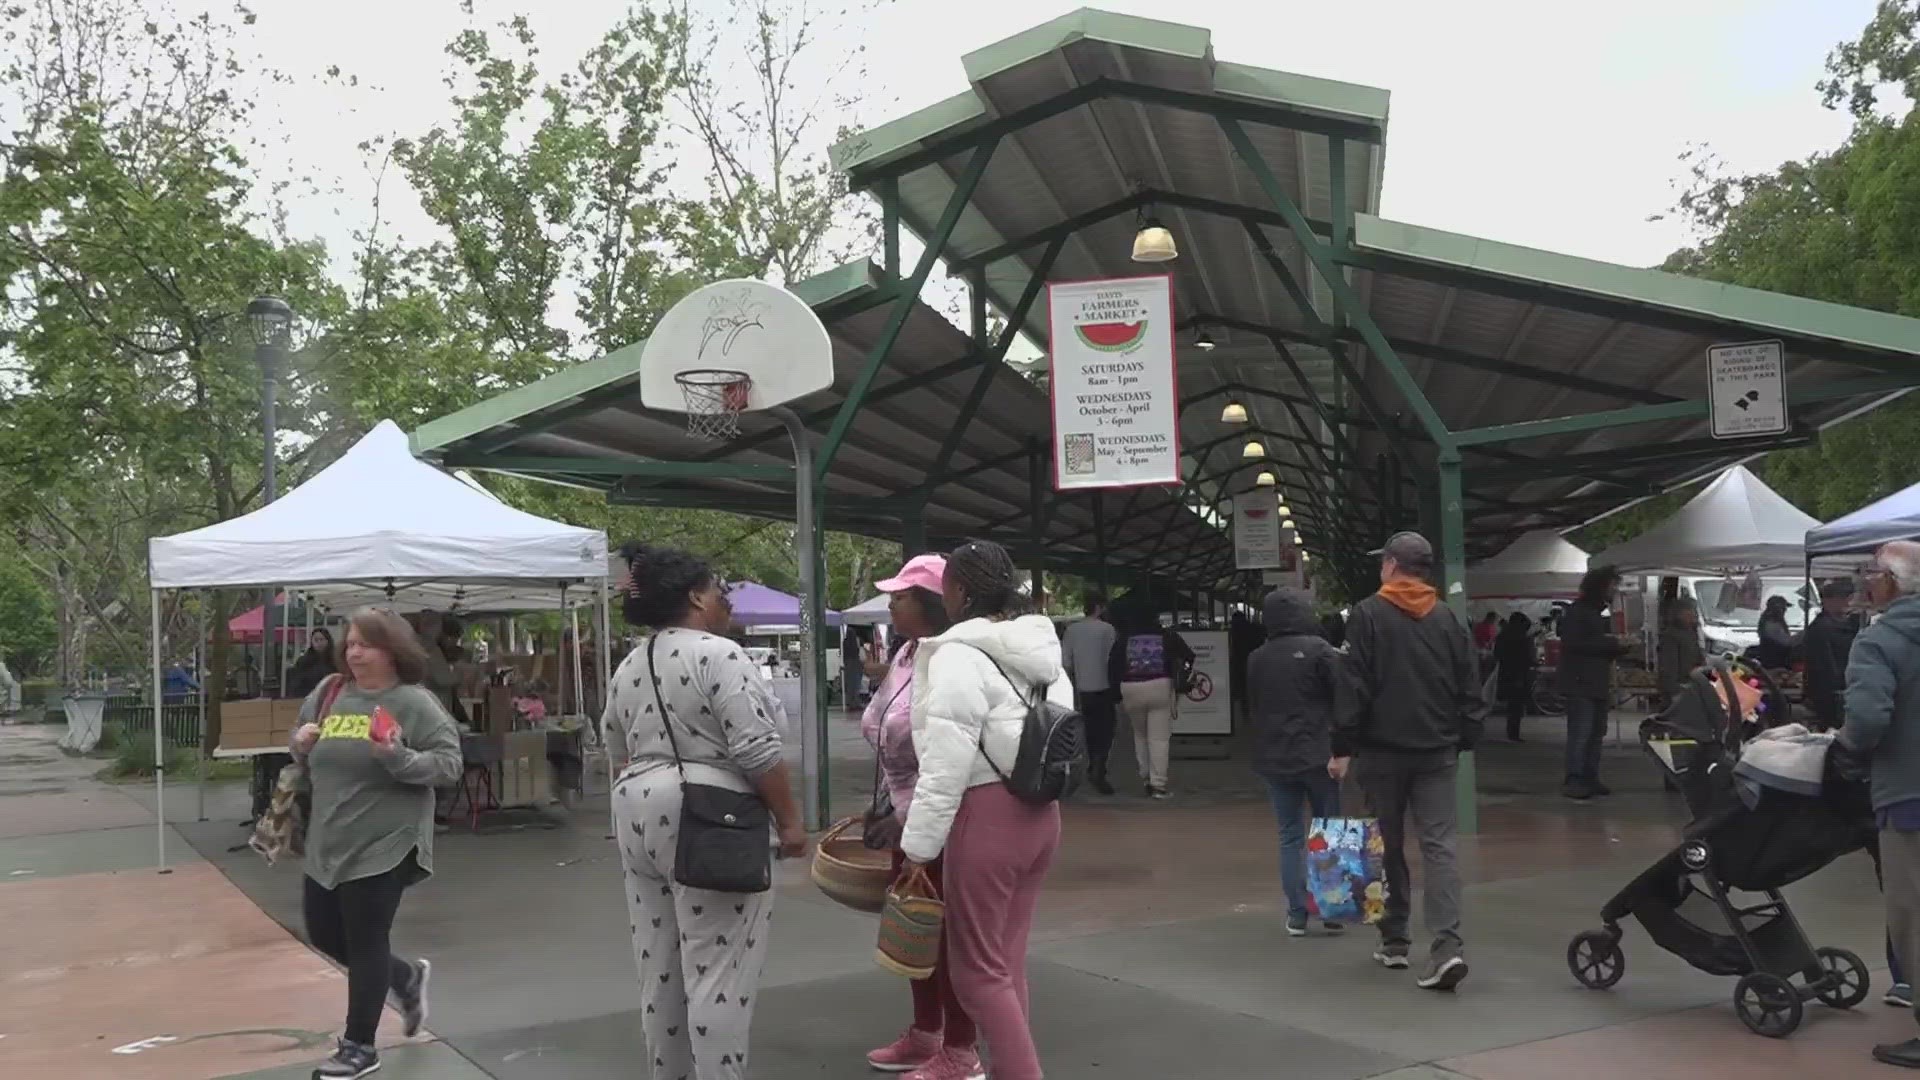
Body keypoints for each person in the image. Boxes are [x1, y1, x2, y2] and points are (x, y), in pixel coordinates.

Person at [602, 544, 807, 1080]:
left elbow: (614, 742)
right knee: (719, 970)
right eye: (719, 592)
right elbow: (758, 750)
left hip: (636, 810)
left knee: (660, 966)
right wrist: (789, 822)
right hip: (711, 817)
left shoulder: (630, 663)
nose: (726, 604)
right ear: (695, 596)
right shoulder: (718, 654)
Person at [900, 540, 1070, 1080]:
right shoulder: (1042, 649)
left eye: (945, 584)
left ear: (960, 591)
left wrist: (918, 848)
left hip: (985, 818)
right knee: (1005, 961)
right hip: (1040, 815)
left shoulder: (956, 655)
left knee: (975, 972)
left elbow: (944, 765)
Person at [289, 607, 463, 1079]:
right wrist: (300, 743)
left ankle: (359, 1046)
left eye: (365, 643)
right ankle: (404, 977)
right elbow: (303, 749)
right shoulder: (329, 693)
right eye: (350, 644)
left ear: (393, 650)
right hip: (328, 839)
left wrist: (398, 757)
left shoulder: (414, 703)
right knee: (325, 934)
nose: (354, 651)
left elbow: (448, 765)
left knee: (366, 941)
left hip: (386, 841)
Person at [1333, 531, 1482, 991]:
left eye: (1383, 563)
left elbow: (1352, 687)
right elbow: (1471, 685)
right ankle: (1447, 947)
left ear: (1393, 565)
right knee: (1440, 847)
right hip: (1436, 752)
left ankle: (1394, 939)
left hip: (1381, 753)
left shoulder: (1367, 615)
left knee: (1383, 844)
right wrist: (1462, 738)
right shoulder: (1447, 619)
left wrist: (1342, 746)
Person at [857, 554, 979, 1080]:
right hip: (902, 811)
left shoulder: (956, 658)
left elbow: (948, 749)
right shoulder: (908, 653)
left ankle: (961, 1048)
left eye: (900, 596)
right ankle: (927, 1030)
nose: (891, 603)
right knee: (913, 926)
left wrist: (910, 812)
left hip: (942, 818)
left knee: (947, 936)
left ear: (932, 600)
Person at [1837, 541, 1920, 1068]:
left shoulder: (1880, 640)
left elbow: (1867, 719)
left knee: (1914, 918)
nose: (1867, 583)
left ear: (1892, 583)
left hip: (1909, 797)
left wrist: (1844, 751)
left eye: (1873, 574)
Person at [1248, 586, 1347, 937]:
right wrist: (1342, 750)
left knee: (1289, 837)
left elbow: (1254, 707)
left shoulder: (1257, 657)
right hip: (1318, 755)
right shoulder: (1321, 651)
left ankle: (1296, 914)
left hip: (1274, 758)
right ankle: (1333, 908)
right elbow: (1342, 700)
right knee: (1329, 830)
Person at [1108, 601, 1195, 800]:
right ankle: (1158, 785)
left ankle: (1145, 778)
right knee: (1159, 738)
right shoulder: (1167, 636)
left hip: (1130, 689)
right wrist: (1182, 672)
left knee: (1140, 735)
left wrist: (1115, 694)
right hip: (1160, 687)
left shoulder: (1124, 639)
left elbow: (1113, 665)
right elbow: (1189, 655)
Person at [1557, 566, 1630, 801]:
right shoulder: (1580, 612)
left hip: (1595, 681)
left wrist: (1616, 647)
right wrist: (1612, 644)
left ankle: (1590, 775)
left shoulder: (1595, 614)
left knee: (1596, 731)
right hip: (1581, 682)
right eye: (1611, 585)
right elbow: (1575, 643)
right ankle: (1575, 778)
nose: (1614, 590)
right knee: (1581, 732)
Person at [1060, 592, 1119, 795]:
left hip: (1082, 690)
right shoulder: (1107, 629)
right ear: (1100, 607)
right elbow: (1114, 658)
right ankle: (1098, 768)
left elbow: (1065, 662)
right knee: (1106, 732)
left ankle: (1082, 769)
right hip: (1104, 687)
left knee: (1085, 732)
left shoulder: (1071, 630)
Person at [1802, 580, 1860, 732]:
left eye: (1848, 597)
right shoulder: (1820, 628)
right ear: (1827, 600)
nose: (1847, 602)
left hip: (1847, 688)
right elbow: (1823, 665)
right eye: (1842, 597)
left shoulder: (1852, 624)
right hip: (1830, 694)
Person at [1654, 598, 1705, 709]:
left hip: (1691, 687)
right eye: (1689, 611)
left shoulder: (1692, 632)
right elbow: (1668, 666)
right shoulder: (1670, 636)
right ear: (1679, 614)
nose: (1693, 615)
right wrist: (1674, 691)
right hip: (1677, 689)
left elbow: (1697, 656)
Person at [1494, 613, 1536, 742]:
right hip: (1518, 675)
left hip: (1506, 673)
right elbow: (1526, 658)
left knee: (1513, 706)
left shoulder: (1502, 636)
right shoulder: (1521, 639)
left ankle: (1512, 732)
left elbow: (1497, 654)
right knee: (1516, 706)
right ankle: (1514, 733)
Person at [288, 628, 339, 699]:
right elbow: (296, 683)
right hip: (309, 699)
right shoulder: (304, 661)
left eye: (321, 639)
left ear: (328, 641)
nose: (319, 643)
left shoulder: (336, 660)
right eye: (316, 640)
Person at [1754, 594, 1795, 670]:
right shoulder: (1770, 622)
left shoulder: (1777, 620)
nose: (1785, 610)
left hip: (1779, 662)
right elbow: (1784, 642)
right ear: (1777, 608)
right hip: (1774, 664)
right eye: (1784, 607)